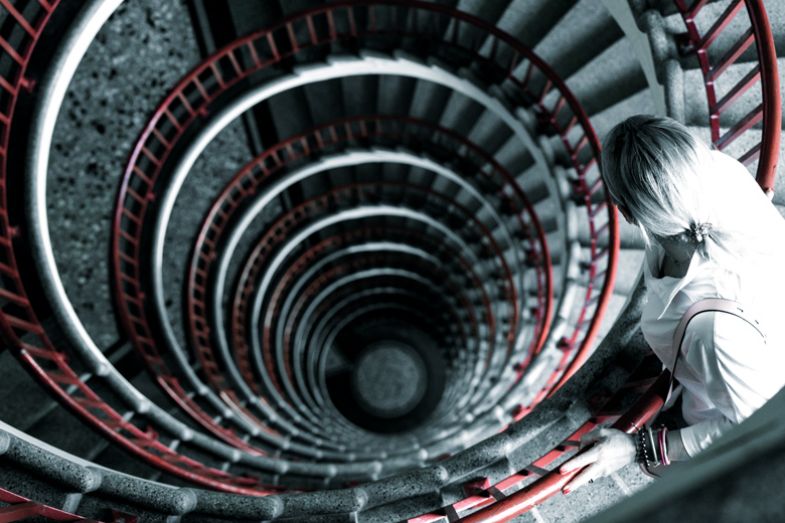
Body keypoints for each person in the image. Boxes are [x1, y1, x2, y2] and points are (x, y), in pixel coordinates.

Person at [559, 115, 785, 492]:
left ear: (627, 213)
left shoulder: (713, 329)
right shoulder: (718, 174)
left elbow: (755, 424)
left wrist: (637, 447)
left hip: (718, 394)